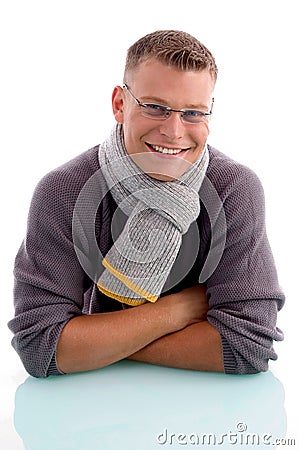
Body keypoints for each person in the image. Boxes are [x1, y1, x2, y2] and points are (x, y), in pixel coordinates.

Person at [8, 30, 284, 378]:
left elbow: (248, 346)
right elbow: (41, 347)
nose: (174, 130)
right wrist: (174, 313)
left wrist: (97, 341)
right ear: (120, 104)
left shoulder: (234, 189)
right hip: (93, 414)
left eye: (193, 113)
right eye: (155, 107)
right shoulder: (63, 191)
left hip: (206, 420)